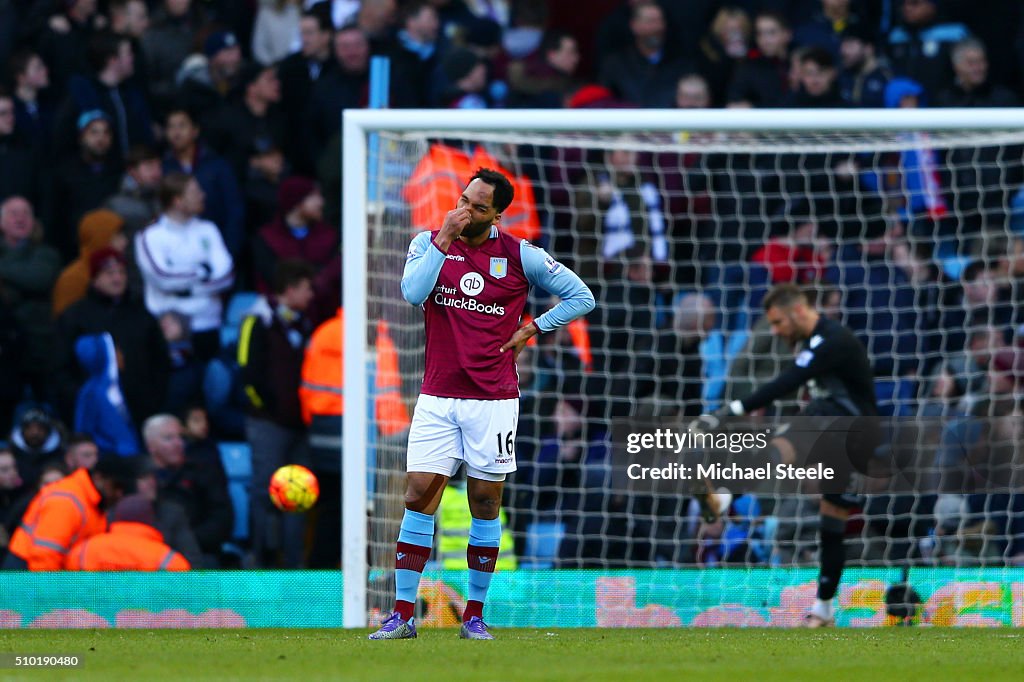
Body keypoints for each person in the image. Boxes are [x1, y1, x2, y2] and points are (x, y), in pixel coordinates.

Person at [369, 168, 595, 640]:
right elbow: (412, 293)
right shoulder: (427, 243)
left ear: (497, 214)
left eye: (478, 206)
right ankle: (402, 615)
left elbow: (582, 296)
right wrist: (443, 239)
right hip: (437, 396)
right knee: (416, 498)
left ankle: (473, 614)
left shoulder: (519, 255)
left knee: (485, 501)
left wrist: (535, 327)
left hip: (493, 400)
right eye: (464, 200)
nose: (465, 210)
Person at [715, 284, 878, 627]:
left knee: (827, 517)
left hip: (853, 432)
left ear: (798, 312)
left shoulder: (832, 339)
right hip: (832, 425)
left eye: (777, 323)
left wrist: (734, 407)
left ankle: (725, 493)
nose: (775, 331)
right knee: (825, 517)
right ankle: (823, 610)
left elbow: (790, 379)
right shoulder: (810, 342)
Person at [238, 259, 316, 568]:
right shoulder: (257, 320)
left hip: (299, 425)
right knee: (264, 491)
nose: (311, 295)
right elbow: (246, 371)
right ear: (290, 289)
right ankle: (262, 559)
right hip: (268, 424)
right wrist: (267, 407)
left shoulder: (302, 324)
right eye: (307, 288)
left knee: (300, 494)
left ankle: (294, 563)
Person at [135, 172, 234, 363]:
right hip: (171, 328)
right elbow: (162, 277)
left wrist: (188, 288)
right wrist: (203, 272)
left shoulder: (208, 229)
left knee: (214, 385)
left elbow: (226, 275)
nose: (202, 195)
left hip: (209, 323)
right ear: (177, 201)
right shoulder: (150, 236)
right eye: (195, 192)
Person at [2, 457, 134, 570]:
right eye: (116, 487)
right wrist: (48, 597)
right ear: (99, 479)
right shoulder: (67, 500)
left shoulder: (93, 503)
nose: (119, 494)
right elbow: (45, 556)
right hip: (27, 574)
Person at [64, 493, 190, 570]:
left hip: (93, 614)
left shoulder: (82, 552)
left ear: (116, 517)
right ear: (151, 521)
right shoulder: (169, 561)